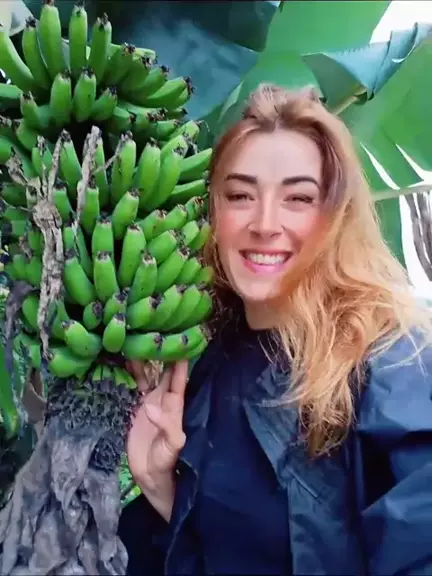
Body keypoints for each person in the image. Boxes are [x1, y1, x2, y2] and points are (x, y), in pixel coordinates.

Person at [118, 83, 432, 575]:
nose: (264, 224)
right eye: (240, 195)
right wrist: (160, 485)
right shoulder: (211, 355)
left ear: (336, 215)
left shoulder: (393, 361)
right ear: (213, 210)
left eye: (298, 198)